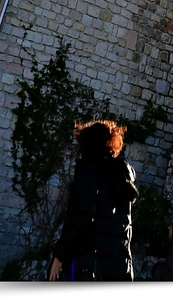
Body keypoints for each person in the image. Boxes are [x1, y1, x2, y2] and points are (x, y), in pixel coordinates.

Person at [49, 119, 138, 281]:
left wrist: (59, 257)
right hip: (119, 267)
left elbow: (82, 216)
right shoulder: (122, 177)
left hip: (87, 265)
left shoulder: (89, 170)